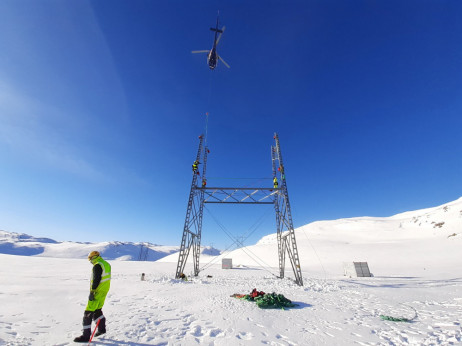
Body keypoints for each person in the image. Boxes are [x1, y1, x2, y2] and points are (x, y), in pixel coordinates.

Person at [74, 251, 111, 343]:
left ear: (93, 258)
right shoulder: (106, 264)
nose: (90, 261)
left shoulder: (97, 265)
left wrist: (92, 291)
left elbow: (96, 279)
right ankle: (102, 329)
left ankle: (86, 336)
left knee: (88, 313)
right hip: (104, 290)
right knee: (97, 310)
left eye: (90, 259)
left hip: (97, 292)